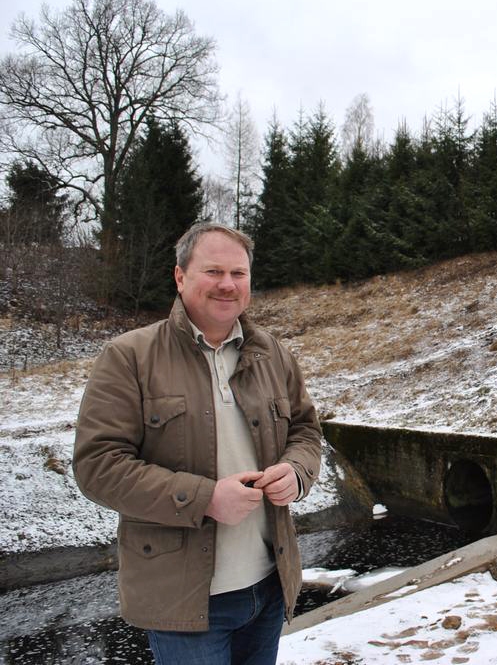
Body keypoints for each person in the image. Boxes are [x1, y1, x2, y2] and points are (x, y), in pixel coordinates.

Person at [74, 222, 322, 665]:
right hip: (185, 602)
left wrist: (297, 472)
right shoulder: (129, 356)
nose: (227, 285)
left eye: (239, 273)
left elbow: (305, 429)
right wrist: (205, 499)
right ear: (180, 276)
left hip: (269, 583)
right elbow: (99, 466)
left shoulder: (272, 353)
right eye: (213, 271)